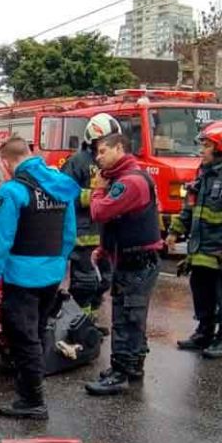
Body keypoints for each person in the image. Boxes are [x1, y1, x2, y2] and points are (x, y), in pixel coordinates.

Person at [0, 136, 79, 419]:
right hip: (50, 275)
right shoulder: (59, 185)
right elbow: (69, 234)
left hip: (22, 278)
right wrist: (57, 264)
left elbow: (0, 245)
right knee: (36, 333)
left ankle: (32, 401)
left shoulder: (11, 192)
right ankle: (30, 389)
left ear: (7, 161)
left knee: (24, 339)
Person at [167, 121, 222, 358]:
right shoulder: (203, 174)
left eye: (206, 145)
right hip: (202, 249)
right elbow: (190, 207)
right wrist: (175, 231)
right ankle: (204, 331)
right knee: (202, 289)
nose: (201, 150)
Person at [85, 133, 162, 396]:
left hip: (136, 262)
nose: (98, 157)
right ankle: (131, 366)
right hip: (130, 258)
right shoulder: (123, 179)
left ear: (121, 148)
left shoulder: (129, 182)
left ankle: (121, 373)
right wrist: (104, 249)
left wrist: (97, 188)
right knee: (132, 315)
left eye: (103, 150)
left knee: (127, 317)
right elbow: (119, 222)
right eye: (97, 152)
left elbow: (100, 212)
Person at [60, 113, 119, 325]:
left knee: (105, 280)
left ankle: (90, 321)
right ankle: (81, 324)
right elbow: (64, 195)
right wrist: (95, 196)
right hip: (83, 235)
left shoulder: (112, 163)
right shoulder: (76, 163)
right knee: (85, 283)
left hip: (106, 233)